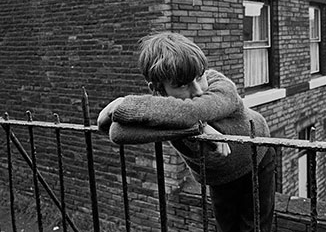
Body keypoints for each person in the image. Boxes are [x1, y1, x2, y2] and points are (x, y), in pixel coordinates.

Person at [97, 32, 275, 232]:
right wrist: (199, 127)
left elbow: (193, 111)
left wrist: (123, 104)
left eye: (200, 77)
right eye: (182, 85)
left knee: (255, 226)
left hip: (257, 156)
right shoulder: (159, 109)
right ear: (158, 90)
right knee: (227, 227)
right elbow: (117, 133)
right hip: (220, 176)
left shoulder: (221, 86)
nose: (198, 90)